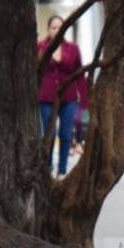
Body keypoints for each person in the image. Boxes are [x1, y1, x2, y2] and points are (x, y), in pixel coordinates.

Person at [37, 14, 86, 177]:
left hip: (68, 96)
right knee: (48, 134)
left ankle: (62, 170)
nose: (57, 30)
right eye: (53, 27)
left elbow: (79, 73)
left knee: (65, 134)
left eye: (60, 27)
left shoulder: (73, 48)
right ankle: (47, 166)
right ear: (48, 29)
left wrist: (84, 98)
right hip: (46, 97)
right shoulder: (40, 47)